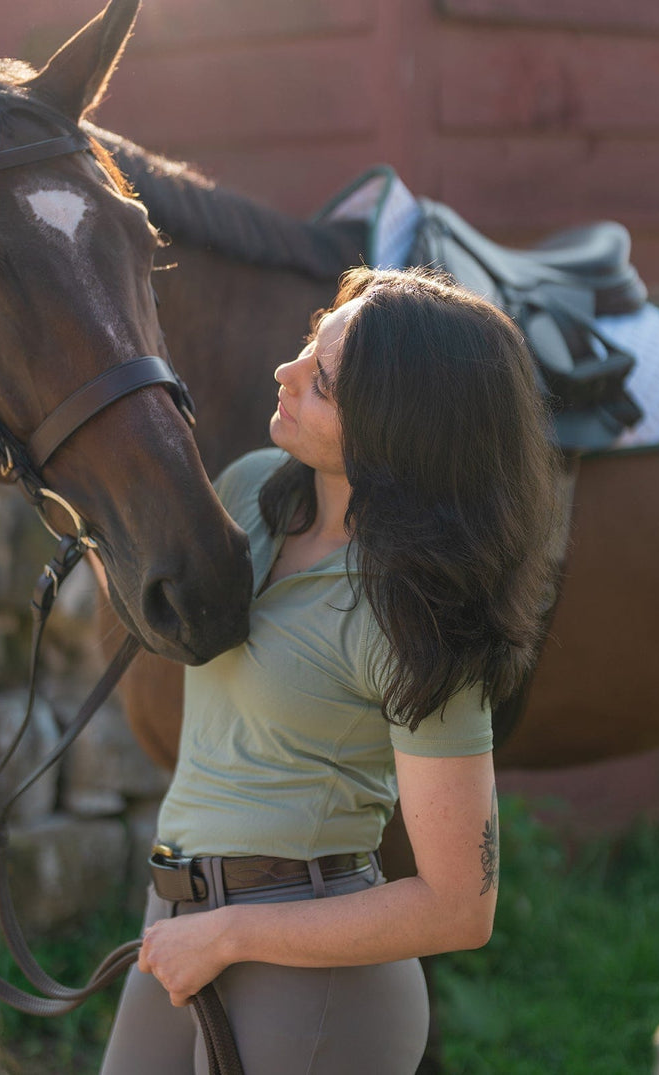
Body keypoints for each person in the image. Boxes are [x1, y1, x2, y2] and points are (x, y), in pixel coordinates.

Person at [100, 266, 558, 1074]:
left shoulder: (414, 611)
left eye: (323, 381)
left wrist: (232, 931)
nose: (287, 373)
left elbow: (461, 904)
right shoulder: (247, 495)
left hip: (313, 982)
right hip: (175, 919)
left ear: (394, 425)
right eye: (310, 341)